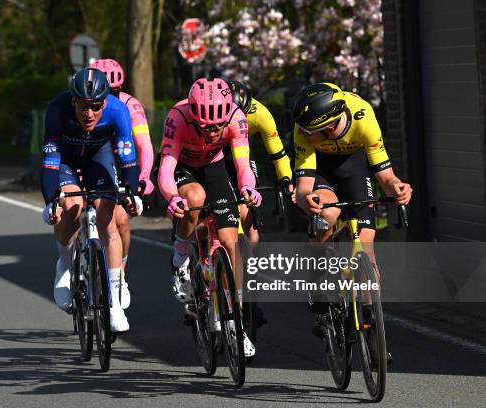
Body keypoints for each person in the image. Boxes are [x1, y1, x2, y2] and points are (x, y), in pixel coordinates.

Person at [292, 82, 412, 362]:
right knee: (327, 217)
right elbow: (304, 185)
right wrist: (306, 199)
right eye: (306, 132)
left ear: (331, 124)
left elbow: (385, 174)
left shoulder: (362, 117)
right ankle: (318, 279)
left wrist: (398, 188)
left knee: (366, 248)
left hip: (353, 168)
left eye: (314, 132)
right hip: (320, 171)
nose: (309, 136)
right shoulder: (304, 130)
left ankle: (372, 327)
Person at [158, 77, 262, 357]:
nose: (214, 131)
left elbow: (242, 164)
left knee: (230, 240)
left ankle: (235, 322)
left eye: (218, 125)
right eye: (206, 127)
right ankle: (180, 256)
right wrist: (172, 198)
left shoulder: (237, 118)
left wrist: (248, 188)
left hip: (214, 167)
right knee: (194, 199)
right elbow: (166, 169)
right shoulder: (178, 117)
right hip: (184, 167)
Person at [40, 67, 142, 333]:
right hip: (66, 161)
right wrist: (51, 199)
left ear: (105, 102)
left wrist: (131, 192)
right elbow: (50, 162)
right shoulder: (57, 109)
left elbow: (128, 158)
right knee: (72, 207)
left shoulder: (118, 111)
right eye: (83, 106)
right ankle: (65, 262)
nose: (89, 114)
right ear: (72, 101)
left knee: (108, 217)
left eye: (96, 107)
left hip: (100, 156)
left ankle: (115, 304)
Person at [90, 58, 154, 309]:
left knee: (121, 218)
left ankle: (121, 273)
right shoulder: (87, 105)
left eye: (115, 91)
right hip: (91, 156)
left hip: (120, 158)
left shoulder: (130, 105)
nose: (111, 96)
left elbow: (144, 145)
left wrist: (145, 175)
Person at [224, 79, 294, 243]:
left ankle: (250, 251)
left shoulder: (260, 114)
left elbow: (278, 154)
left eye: (243, 115)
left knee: (248, 200)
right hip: (216, 150)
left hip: (241, 149)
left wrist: (285, 178)